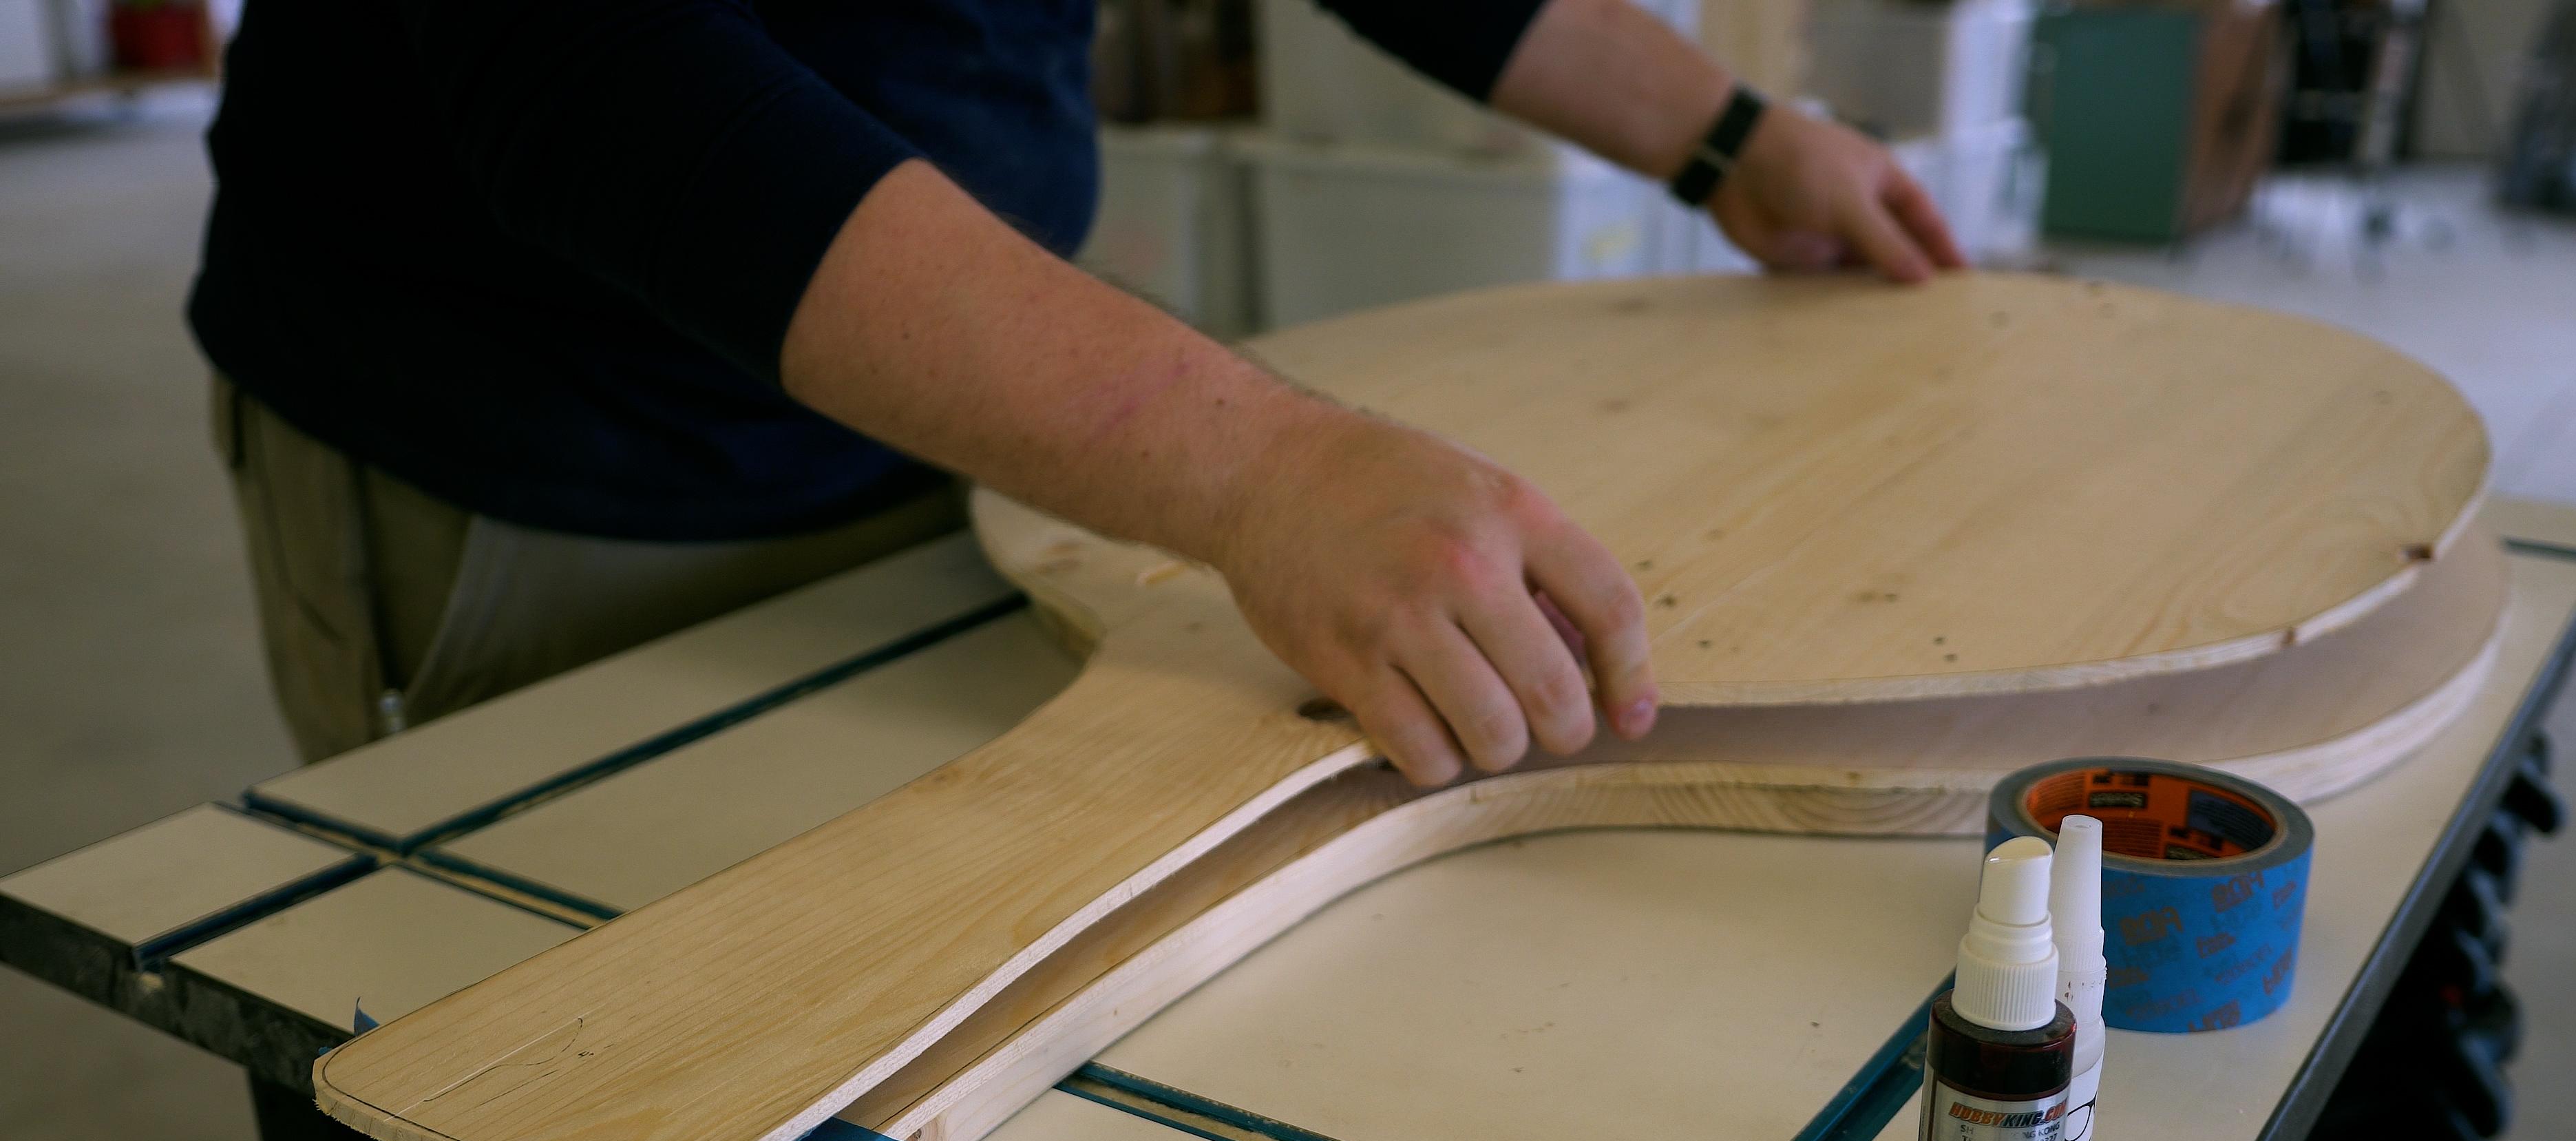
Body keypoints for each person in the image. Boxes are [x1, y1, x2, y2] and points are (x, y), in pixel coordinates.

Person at [193, 0, 1963, 780]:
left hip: (985, 430)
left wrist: (1729, 138)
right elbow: (593, 73)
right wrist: (1262, 471)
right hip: (556, 451)